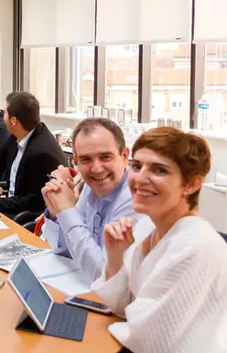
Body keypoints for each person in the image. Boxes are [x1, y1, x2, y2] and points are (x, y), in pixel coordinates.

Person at [91, 127, 227, 353]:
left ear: (191, 184)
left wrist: (129, 320)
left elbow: (149, 338)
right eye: (136, 166)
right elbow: (122, 306)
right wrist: (115, 256)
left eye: (159, 170)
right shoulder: (148, 227)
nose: (140, 178)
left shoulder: (195, 247)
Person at [40, 118, 137, 281]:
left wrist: (67, 211)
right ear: (76, 160)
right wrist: (57, 214)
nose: (96, 169)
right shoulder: (90, 188)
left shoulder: (136, 200)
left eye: (105, 157)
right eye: (86, 159)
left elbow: (104, 277)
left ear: (125, 156)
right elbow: (66, 251)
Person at [0, 91, 67, 219]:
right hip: (12, 205)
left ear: (13, 121)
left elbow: (34, 201)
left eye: (5, 112)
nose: (2, 115)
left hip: (24, 215)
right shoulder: (16, 136)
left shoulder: (41, 153)